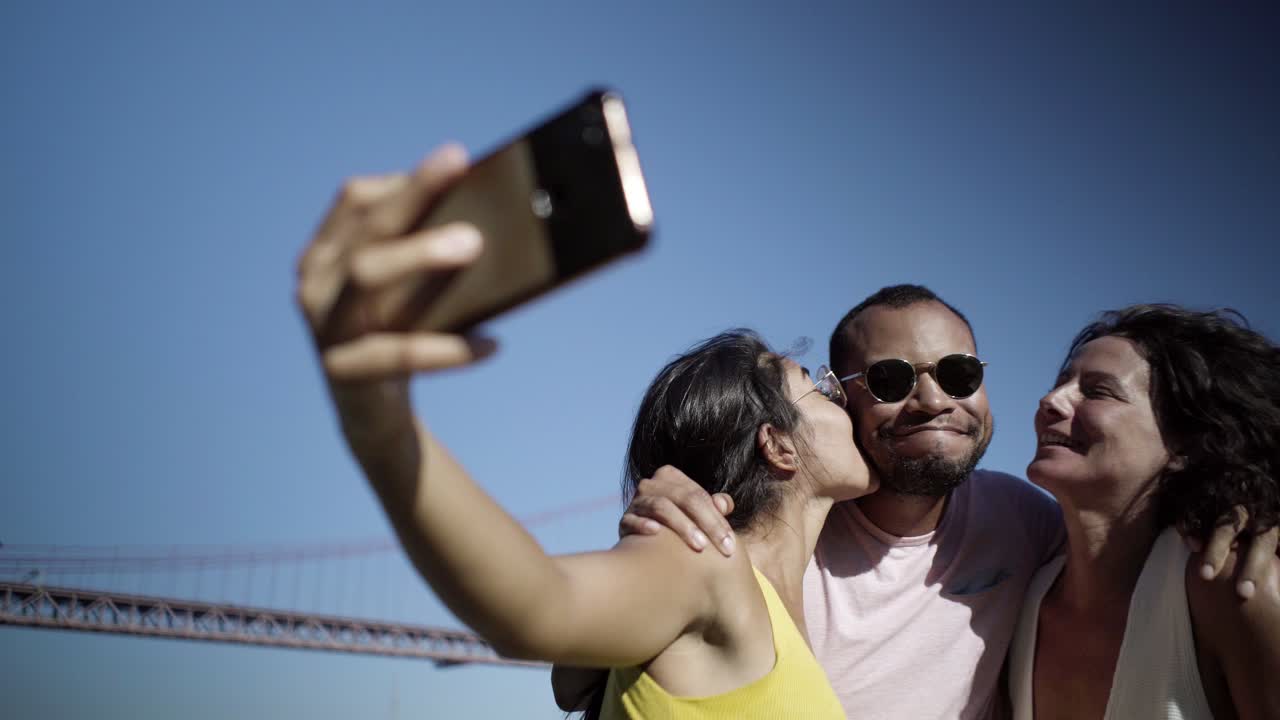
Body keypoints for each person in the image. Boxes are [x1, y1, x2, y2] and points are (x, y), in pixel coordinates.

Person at [295, 145, 874, 719]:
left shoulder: (775, 613)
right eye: (815, 384)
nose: (842, 397)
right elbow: (539, 606)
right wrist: (380, 424)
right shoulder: (704, 560)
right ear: (776, 446)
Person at [588, 285, 1278, 720]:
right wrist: (663, 514)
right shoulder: (773, 537)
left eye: (959, 373)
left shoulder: (1033, 529)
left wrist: (1251, 508)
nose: (932, 398)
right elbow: (578, 674)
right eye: (889, 379)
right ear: (839, 399)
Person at [1008, 305, 1280, 719]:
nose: (1051, 400)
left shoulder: (1233, 588)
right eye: (1061, 383)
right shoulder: (1021, 593)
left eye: (1098, 391)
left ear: (1185, 445)